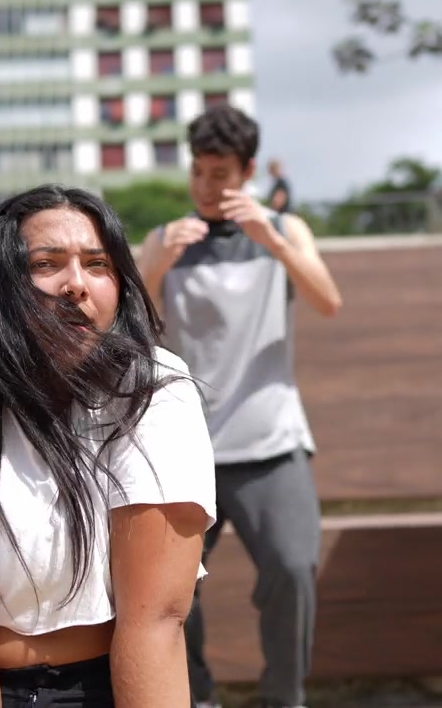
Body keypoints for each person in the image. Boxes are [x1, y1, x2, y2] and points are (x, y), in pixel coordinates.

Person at [0, 184, 217, 707]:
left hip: (113, 683)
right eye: (45, 264)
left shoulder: (155, 388)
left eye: (98, 264)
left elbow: (157, 621)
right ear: (2, 285)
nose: (75, 284)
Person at [137, 104, 344, 708]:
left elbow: (328, 300)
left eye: (220, 174)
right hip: (184, 450)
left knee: (293, 569)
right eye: (198, 173)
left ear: (248, 171)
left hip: (269, 441)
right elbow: (125, 328)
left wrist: (272, 241)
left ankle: (283, 698)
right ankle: (195, 696)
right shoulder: (164, 239)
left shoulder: (285, 230)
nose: (206, 187)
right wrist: (155, 263)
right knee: (169, 591)